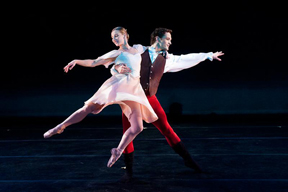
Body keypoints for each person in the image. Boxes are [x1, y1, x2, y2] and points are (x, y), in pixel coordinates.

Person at [115, 28, 224, 182]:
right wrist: (118, 67)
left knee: (166, 128)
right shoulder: (139, 50)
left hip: (149, 98)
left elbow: (186, 59)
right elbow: (121, 56)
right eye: (167, 39)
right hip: (132, 98)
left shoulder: (167, 59)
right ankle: (129, 170)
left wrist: (207, 56)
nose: (170, 42)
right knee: (128, 133)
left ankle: (188, 160)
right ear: (157, 39)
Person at [43, 27, 158, 168]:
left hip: (133, 89)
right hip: (119, 84)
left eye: (117, 36)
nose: (114, 39)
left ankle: (118, 151)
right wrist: (77, 61)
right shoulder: (116, 53)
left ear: (125, 35)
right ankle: (60, 127)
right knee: (89, 107)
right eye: (112, 37)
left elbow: (152, 49)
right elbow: (94, 62)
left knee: (138, 127)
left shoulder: (138, 49)